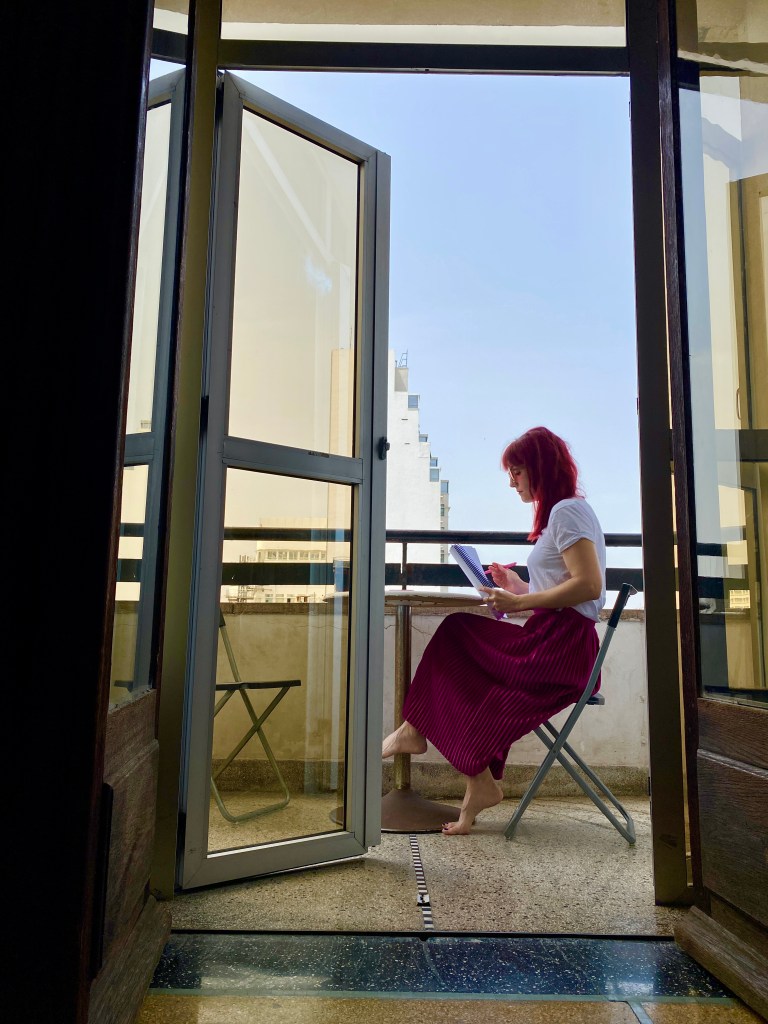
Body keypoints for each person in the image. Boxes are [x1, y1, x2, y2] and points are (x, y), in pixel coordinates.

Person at [382, 426, 606, 835]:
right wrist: (516, 585)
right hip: (552, 639)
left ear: (539, 469)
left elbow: (589, 586)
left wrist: (519, 603)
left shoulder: (567, 512)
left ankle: (420, 733)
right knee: (463, 659)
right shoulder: (565, 512)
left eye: (517, 472)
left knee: (456, 636)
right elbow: (564, 588)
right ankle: (476, 780)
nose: (511, 481)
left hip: (561, 650)